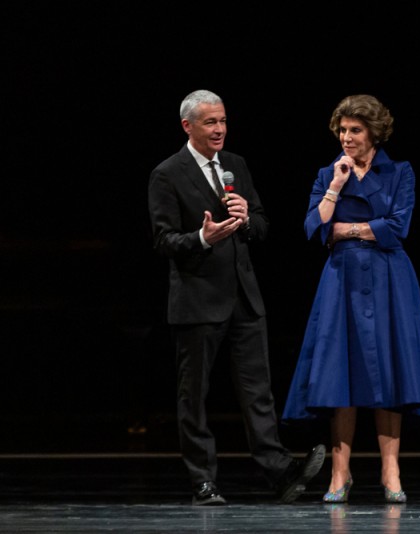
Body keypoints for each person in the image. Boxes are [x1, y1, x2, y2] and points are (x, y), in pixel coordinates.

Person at [147, 89, 325, 506]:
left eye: (223, 120)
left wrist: (246, 219)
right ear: (187, 126)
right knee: (195, 395)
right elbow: (163, 240)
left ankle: (280, 472)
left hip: (244, 297)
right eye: (210, 122)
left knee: (257, 391)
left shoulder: (236, 166)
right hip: (197, 299)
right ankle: (202, 480)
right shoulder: (167, 174)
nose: (220, 129)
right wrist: (202, 238)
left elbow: (262, 226)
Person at [281, 94, 420, 504]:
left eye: (355, 130)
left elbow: (397, 227)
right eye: (342, 130)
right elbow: (313, 228)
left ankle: (391, 470)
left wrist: (347, 229)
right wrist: (336, 187)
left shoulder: (399, 171)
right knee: (341, 372)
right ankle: (340, 472)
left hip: (390, 278)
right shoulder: (327, 174)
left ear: (374, 131)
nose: (347, 137)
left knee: (389, 371)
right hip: (341, 280)